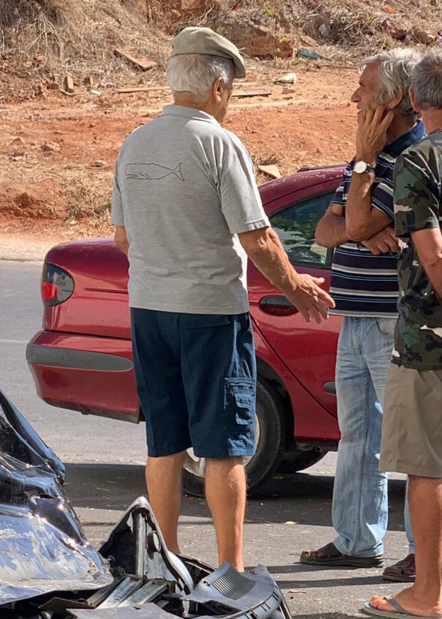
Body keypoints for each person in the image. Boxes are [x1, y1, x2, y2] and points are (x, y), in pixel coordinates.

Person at [111, 27, 334, 572]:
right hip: (209, 312)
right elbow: (258, 235)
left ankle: (165, 560)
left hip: (150, 309)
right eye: (230, 89)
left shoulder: (135, 142)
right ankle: (230, 570)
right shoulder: (219, 143)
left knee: (164, 441)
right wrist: (296, 287)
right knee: (225, 444)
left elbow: (122, 237)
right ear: (217, 85)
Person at [302, 49, 442, 582]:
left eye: (364, 88)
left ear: (394, 98)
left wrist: (358, 207)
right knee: (358, 436)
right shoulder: (364, 159)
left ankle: (431, 551)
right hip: (356, 317)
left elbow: (359, 217)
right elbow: (326, 231)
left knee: (412, 439)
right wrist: (356, 223)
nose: (354, 98)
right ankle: (356, 540)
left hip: (398, 319)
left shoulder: (412, 156)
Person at [364, 48, 442, 619]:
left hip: (428, 342)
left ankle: (426, 595)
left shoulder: (418, 160)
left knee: (426, 469)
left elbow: (432, 251)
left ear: (415, 100)